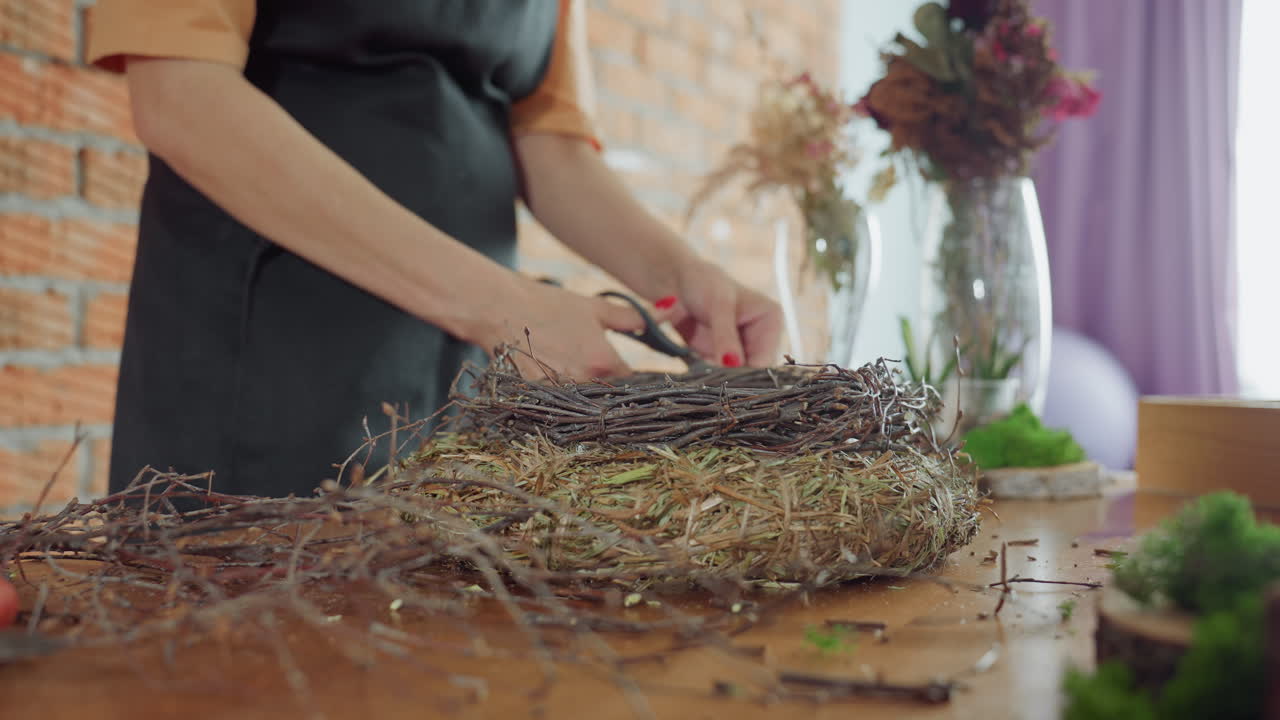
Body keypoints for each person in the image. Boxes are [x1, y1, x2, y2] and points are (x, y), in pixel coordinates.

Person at [87, 0, 783, 499]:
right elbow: (180, 94)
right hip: (266, 353)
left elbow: (547, 140)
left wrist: (682, 276)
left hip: (456, 366)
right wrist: (502, 306)